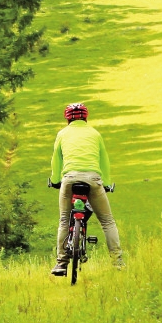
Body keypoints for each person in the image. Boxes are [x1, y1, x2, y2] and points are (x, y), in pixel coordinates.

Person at [49, 103, 123, 276]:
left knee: (64, 221)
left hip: (69, 179)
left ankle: (61, 263)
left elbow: (56, 161)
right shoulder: (95, 134)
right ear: (86, 117)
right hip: (93, 179)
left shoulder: (62, 134)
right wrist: (106, 183)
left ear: (67, 119)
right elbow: (104, 161)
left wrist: (55, 181)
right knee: (107, 222)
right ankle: (117, 262)